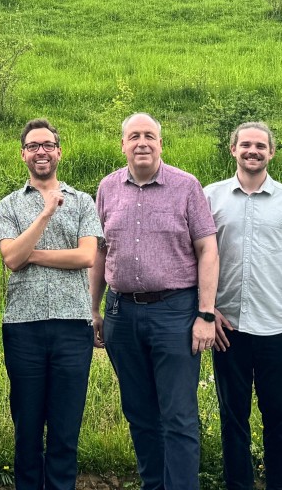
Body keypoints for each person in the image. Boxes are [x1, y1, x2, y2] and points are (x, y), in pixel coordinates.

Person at [90, 113, 218, 490]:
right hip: (120, 313)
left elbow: (207, 250)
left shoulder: (186, 186)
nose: (142, 142)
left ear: (161, 144)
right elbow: (100, 252)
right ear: (123, 145)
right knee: (140, 414)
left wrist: (205, 314)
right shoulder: (108, 187)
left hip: (175, 312)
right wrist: (93, 309)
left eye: (149, 136)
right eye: (134, 136)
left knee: (178, 415)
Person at [204, 122, 282, 490]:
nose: (253, 151)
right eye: (246, 145)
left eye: (260, 146)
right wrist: (207, 309)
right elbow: (196, 257)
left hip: (278, 329)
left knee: (279, 420)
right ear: (232, 149)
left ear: (271, 152)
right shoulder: (211, 197)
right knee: (232, 418)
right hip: (228, 328)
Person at [0, 119, 102, 490]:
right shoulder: (9, 204)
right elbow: (9, 259)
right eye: (33, 145)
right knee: (26, 425)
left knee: (65, 425)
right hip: (23, 326)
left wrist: (33, 253)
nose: (41, 151)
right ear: (23, 153)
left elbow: (86, 256)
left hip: (73, 325)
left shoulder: (82, 201)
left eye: (47, 145)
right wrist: (44, 214)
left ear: (58, 151)